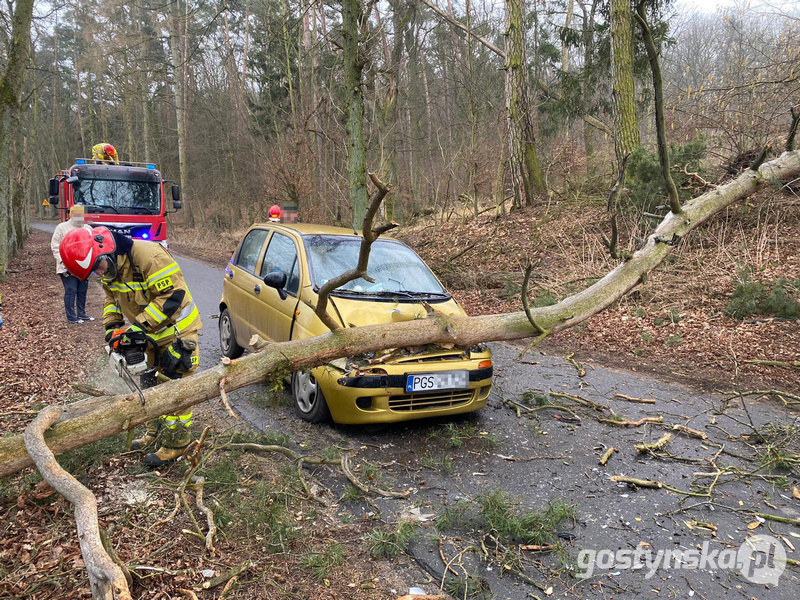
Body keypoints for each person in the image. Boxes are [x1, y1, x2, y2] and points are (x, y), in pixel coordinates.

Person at [59, 225, 202, 467]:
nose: (98, 273)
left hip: (177, 332)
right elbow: (112, 299)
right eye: (92, 272)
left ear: (106, 251)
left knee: (174, 387)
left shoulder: (149, 256)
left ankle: (177, 443)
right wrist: (112, 328)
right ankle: (153, 432)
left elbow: (172, 297)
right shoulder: (109, 270)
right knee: (147, 383)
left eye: (97, 267)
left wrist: (138, 327)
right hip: (147, 334)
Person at [51, 205, 95, 324]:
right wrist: (63, 261)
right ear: (71, 215)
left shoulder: (88, 228)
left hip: (83, 266)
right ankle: (71, 316)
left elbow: (93, 246)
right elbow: (55, 246)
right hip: (66, 267)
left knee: (82, 290)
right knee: (71, 290)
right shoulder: (62, 227)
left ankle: (82, 313)